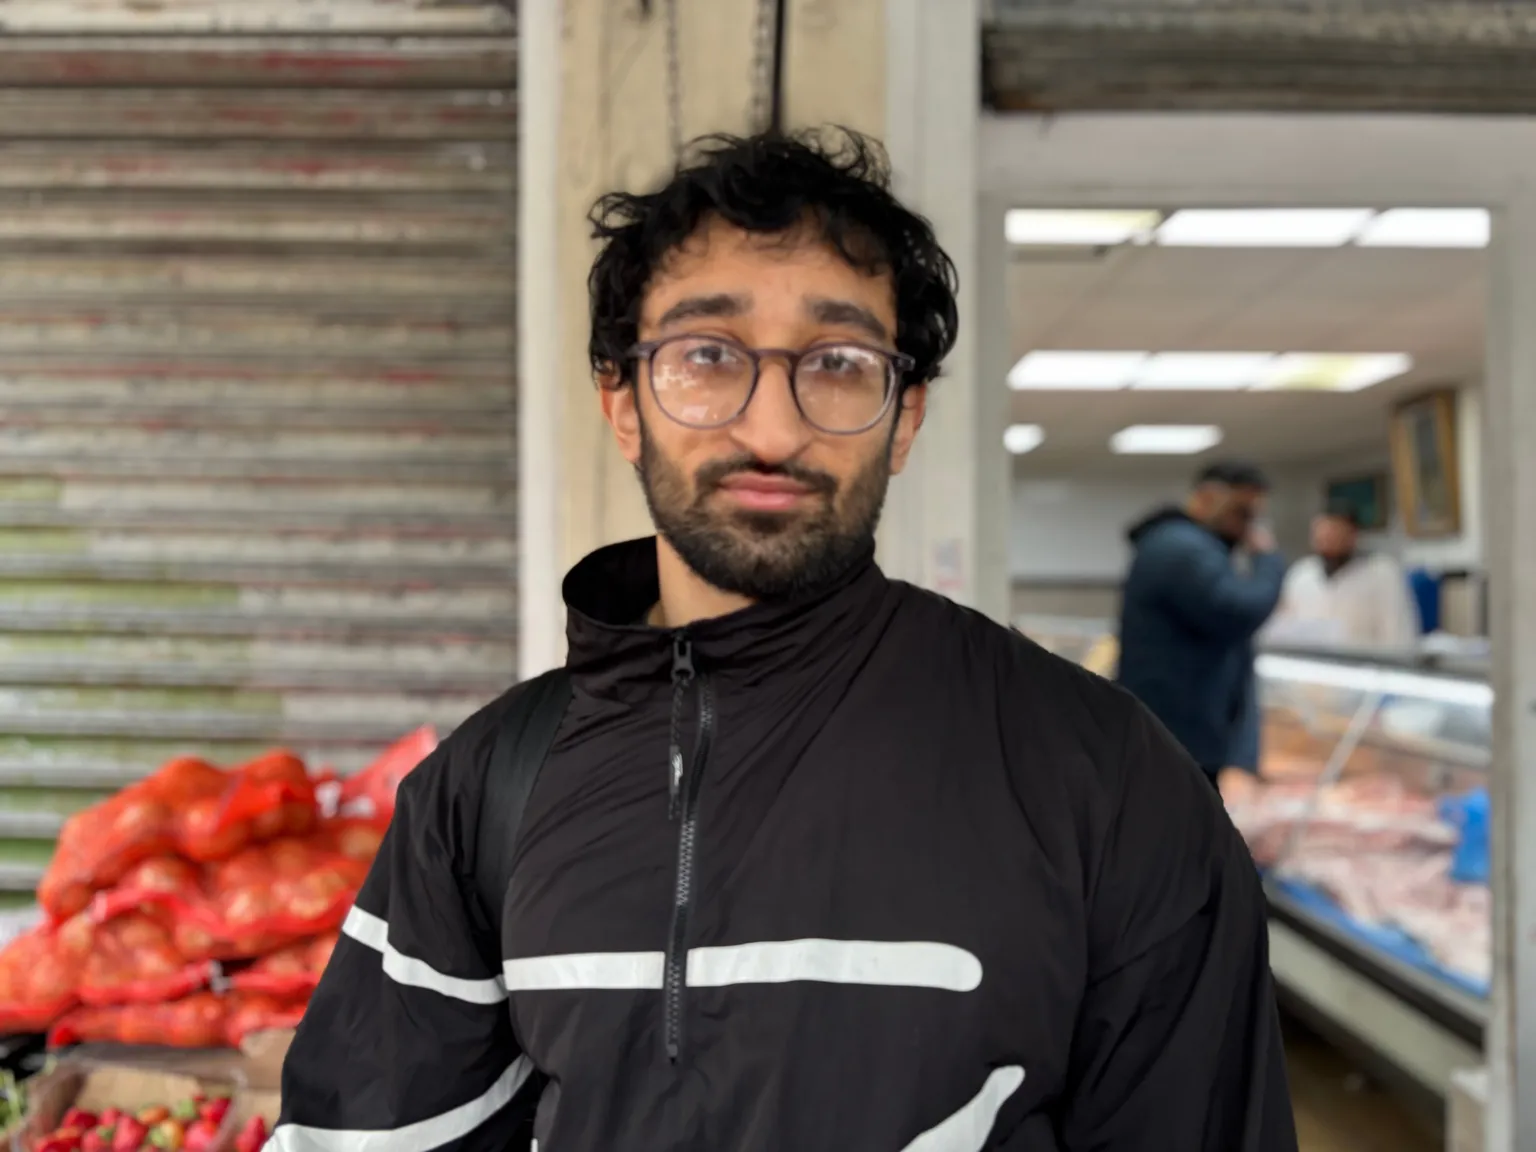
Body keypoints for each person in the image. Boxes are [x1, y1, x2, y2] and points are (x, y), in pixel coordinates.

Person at [275, 130, 1296, 1152]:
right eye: (707, 355)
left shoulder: (1109, 783)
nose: (770, 429)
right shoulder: (482, 793)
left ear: (903, 420)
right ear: (622, 402)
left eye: (840, 363)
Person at [1117, 462, 1286, 789]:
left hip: (1173, 731)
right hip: (1179, 732)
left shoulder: (1180, 544)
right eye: (1242, 513)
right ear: (1208, 498)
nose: (1248, 528)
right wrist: (1268, 561)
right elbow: (1237, 611)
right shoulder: (1181, 548)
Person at [1264, 502, 1420, 651]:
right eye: (1321, 535)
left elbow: (1399, 637)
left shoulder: (1382, 573)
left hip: (1365, 670)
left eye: (1334, 533)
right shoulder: (1301, 574)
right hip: (1309, 668)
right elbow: (1281, 629)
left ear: (1352, 535)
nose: (1326, 541)